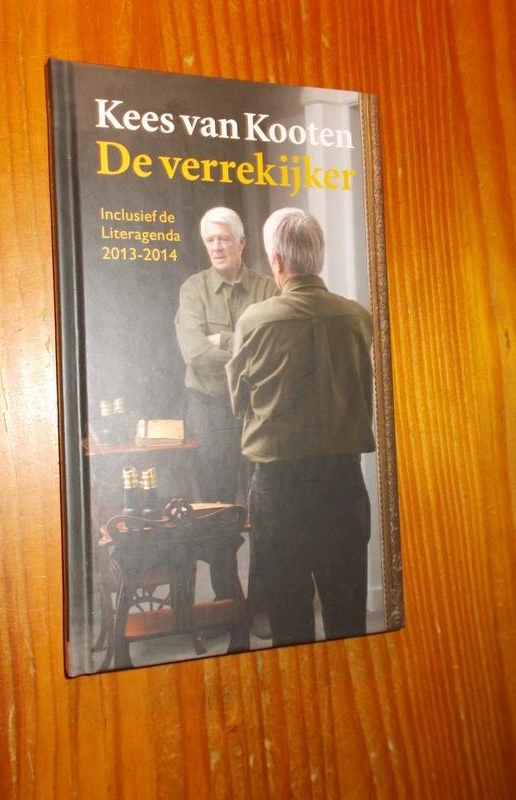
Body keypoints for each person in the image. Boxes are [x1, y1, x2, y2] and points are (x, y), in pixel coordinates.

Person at [226, 207, 376, 646]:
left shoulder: (255, 321)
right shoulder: (358, 317)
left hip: (279, 488)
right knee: (348, 621)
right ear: (319, 256)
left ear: (276, 260)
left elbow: (238, 403)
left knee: (289, 624)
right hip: (343, 483)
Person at [175, 207, 276, 603]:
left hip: (257, 410)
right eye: (210, 240)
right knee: (216, 509)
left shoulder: (267, 288)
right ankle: (228, 602)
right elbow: (195, 353)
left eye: (224, 239)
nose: (216, 247)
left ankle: (263, 603)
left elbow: (273, 347)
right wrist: (245, 346)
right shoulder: (193, 289)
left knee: (264, 505)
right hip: (209, 410)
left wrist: (224, 341)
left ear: (242, 242)